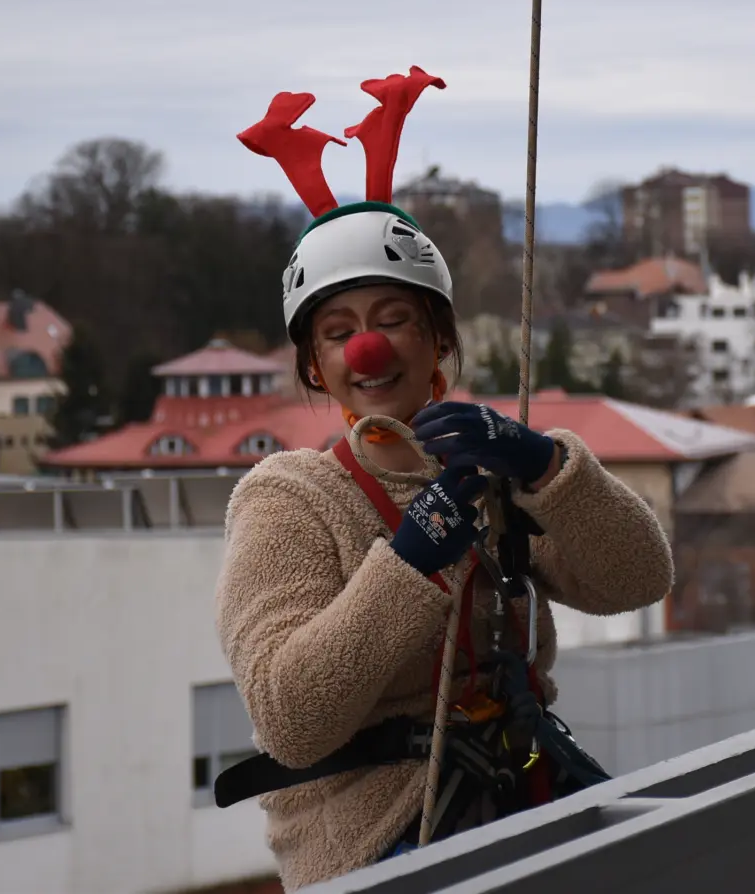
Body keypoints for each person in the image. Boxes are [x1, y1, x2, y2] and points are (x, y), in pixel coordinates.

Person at [214, 67, 673, 890]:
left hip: (520, 792)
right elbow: (291, 717)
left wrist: (547, 469)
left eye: (393, 320)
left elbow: (638, 578)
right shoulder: (290, 501)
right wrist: (409, 559)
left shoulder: (491, 481)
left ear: (438, 342)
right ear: (317, 367)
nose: (368, 348)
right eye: (338, 332)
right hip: (377, 839)